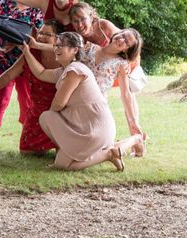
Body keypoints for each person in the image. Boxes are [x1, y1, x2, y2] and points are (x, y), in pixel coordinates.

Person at [21, 32, 143, 171]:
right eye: (122, 35)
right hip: (77, 101)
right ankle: (102, 152)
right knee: (62, 163)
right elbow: (59, 53)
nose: (121, 40)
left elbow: (125, 93)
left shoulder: (120, 64)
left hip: (93, 107)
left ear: (126, 49)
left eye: (126, 42)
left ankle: (123, 145)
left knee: (49, 118)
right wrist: (32, 48)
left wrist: (133, 122)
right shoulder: (89, 49)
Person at [0, 0, 44, 154]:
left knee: (27, 102)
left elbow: (39, 37)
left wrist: (18, 44)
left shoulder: (39, 10)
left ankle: (27, 142)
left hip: (26, 61)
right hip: (1, 58)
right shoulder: (6, 2)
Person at [0, 20, 63, 155]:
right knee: (26, 152)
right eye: (40, 33)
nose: (42, 37)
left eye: (48, 34)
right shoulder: (31, 52)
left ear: (58, 38)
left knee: (62, 152)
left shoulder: (64, 54)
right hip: (37, 107)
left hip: (60, 109)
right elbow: (10, 73)